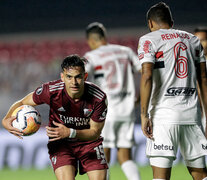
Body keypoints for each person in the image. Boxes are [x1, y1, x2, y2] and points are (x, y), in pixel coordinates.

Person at [2, 55, 108, 180]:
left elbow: (95, 132)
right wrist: (6, 119)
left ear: (85, 76)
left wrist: (70, 132)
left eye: (78, 77)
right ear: (62, 77)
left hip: (89, 143)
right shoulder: (51, 91)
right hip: (61, 144)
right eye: (69, 77)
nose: (74, 82)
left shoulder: (98, 98)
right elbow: (22, 102)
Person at [137, 2, 207, 180]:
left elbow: (146, 75)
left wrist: (144, 115)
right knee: (200, 174)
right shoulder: (193, 39)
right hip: (192, 115)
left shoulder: (149, 39)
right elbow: (203, 79)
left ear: (150, 23)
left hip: (163, 116)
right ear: (172, 21)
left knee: (161, 176)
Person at [84, 22, 141, 180]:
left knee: (103, 158)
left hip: (105, 112)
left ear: (91, 40)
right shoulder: (126, 51)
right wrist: (140, 98)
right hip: (127, 111)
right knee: (125, 157)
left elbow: (81, 76)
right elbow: (145, 71)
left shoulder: (92, 56)